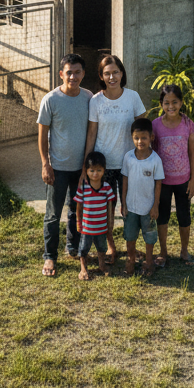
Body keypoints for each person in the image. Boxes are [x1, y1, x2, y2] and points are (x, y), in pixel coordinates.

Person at [83, 54, 146, 266]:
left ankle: (131, 246)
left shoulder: (133, 97)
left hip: (130, 163)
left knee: (131, 206)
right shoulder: (96, 101)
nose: (112, 77)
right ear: (101, 76)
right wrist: (86, 165)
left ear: (122, 73)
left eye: (116, 72)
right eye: (107, 73)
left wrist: (147, 158)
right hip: (104, 166)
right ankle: (111, 245)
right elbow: (92, 134)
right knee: (107, 208)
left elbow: (143, 128)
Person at [37, 53, 91, 277]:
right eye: (69, 72)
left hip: (80, 169)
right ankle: (50, 256)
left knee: (75, 212)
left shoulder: (89, 98)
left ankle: (72, 248)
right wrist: (45, 164)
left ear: (83, 74)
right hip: (57, 168)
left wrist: (87, 168)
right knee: (53, 214)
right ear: (61, 74)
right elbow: (42, 135)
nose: (73, 76)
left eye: (77, 72)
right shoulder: (50, 100)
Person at [152, 83, 194, 267]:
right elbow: (153, 154)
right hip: (162, 182)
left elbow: (193, 153)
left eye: (175, 102)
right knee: (162, 216)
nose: (171, 106)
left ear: (181, 102)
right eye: (166, 102)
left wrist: (193, 180)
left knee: (184, 216)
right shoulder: (155, 125)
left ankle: (184, 251)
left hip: (183, 181)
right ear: (161, 104)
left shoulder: (188, 124)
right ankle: (163, 252)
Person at [120, 117, 164, 278]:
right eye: (136, 138)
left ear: (151, 137)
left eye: (144, 137)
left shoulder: (155, 160)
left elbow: (158, 184)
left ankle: (149, 261)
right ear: (132, 138)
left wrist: (155, 206)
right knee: (130, 235)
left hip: (148, 208)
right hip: (131, 207)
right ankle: (131, 260)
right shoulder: (128, 158)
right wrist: (123, 202)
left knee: (149, 236)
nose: (140, 141)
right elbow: (124, 180)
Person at [74, 151, 117, 279]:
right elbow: (79, 206)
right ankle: (83, 269)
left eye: (99, 170)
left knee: (102, 248)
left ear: (104, 170)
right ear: (86, 171)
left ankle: (102, 265)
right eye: (92, 170)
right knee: (83, 249)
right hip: (86, 228)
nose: (95, 173)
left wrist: (110, 223)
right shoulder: (83, 187)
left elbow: (110, 206)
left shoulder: (106, 187)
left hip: (101, 227)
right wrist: (78, 222)